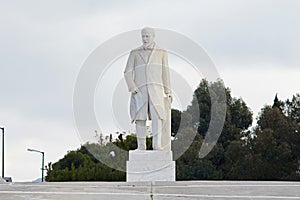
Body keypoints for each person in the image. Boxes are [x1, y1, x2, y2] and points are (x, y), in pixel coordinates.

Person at [124, 27, 172, 150]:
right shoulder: (134, 52)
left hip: (156, 90)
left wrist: (168, 91)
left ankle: (157, 144)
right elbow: (127, 72)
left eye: (147, 36)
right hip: (140, 91)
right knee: (140, 118)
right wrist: (132, 86)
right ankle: (141, 146)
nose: (145, 39)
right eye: (143, 36)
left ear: (153, 36)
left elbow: (165, 72)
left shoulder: (162, 52)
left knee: (157, 116)